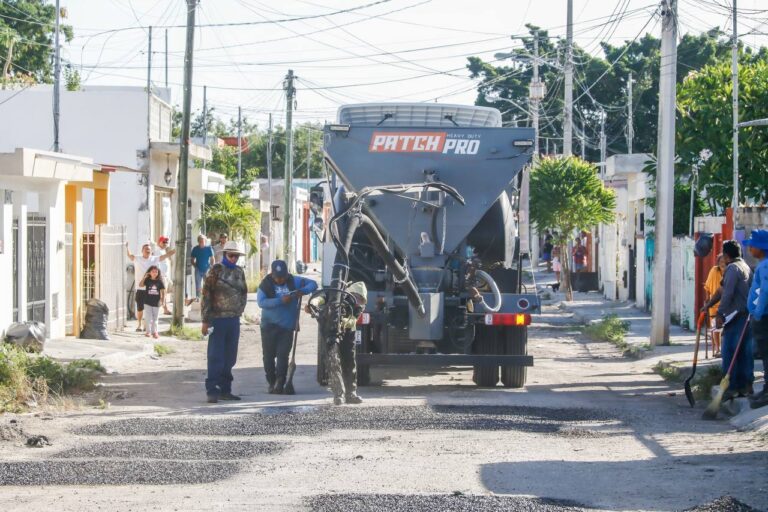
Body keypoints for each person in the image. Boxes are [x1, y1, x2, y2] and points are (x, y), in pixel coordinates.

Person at [257, 259, 318, 395]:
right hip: (268, 326)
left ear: (287, 274)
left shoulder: (293, 281)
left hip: (286, 327)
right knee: (268, 356)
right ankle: (272, 382)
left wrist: (301, 291)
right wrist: (280, 300)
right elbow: (261, 302)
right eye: (277, 278)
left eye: (282, 277)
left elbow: (313, 284)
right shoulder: (265, 284)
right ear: (272, 275)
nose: (280, 280)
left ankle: (281, 382)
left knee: (283, 355)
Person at [200, 241, 249, 403]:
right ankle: (212, 390)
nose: (234, 259)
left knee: (230, 357)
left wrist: (240, 310)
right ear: (224, 254)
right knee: (215, 356)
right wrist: (205, 320)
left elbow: (244, 292)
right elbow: (206, 295)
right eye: (231, 255)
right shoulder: (215, 270)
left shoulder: (239, 272)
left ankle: (225, 389)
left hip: (233, 319)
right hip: (217, 319)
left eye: (236, 256)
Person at [308, 281, 367, 405]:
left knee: (349, 362)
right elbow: (320, 298)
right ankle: (338, 395)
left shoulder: (359, 306)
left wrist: (342, 322)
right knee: (333, 362)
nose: (358, 301)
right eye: (357, 297)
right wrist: (313, 303)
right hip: (329, 331)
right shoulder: (334, 294)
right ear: (351, 293)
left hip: (348, 333)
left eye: (361, 299)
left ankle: (351, 393)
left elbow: (353, 320)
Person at [715, 240, 754, 399]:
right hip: (747, 317)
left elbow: (727, 294)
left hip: (735, 317)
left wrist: (719, 313)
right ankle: (746, 386)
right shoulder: (746, 267)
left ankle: (730, 388)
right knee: (745, 353)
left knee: (730, 352)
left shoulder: (732, 268)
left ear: (726, 255)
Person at [126, 241, 176, 332]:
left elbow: (166, 255)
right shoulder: (137, 259)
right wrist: (126, 247)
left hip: (152, 289)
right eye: (146, 249)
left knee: (149, 308)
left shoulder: (155, 259)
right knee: (140, 308)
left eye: (149, 249)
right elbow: (129, 255)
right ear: (142, 251)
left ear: (151, 251)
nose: (147, 250)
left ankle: (147, 325)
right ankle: (139, 324)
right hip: (140, 288)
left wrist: (177, 248)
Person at [745, 230, 768, 409]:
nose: (750, 248)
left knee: (766, 355)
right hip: (761, 316)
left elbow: (765, 291)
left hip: (764, 318)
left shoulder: (765, 266)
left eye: (753, 245)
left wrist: (758, 313)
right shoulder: (762, 264)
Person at [702, 254, 726, 357]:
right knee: (716, 328)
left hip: (727, 304)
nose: (722, 263)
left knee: (725, 328)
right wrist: (708, 299)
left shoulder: (730, 271)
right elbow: (707, 286)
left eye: (724, 262)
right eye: (721, 261)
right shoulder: (714, 271)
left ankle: (725, 348)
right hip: (715, 304)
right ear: (718, 262)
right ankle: (718, 348)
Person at [140, 265, 165, 339]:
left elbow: (163, 292)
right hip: (147, 302)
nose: (154, 273)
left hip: (156, 302)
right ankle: (148, 332)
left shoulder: (160, 281)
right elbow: (140, 285)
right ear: (149, 272)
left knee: (155, 318)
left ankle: (155, 332)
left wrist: (163, 301)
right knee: (148, 318)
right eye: (153, 271)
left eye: (156, 272)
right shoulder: (147, 280)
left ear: (158, 273)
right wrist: (144, 277)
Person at [155, 236, 173, 315]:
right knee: (162, 293)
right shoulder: (157, 251)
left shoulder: (163, 250)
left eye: (166, 242)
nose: (165, 244)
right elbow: (159, 259)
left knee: (164, 293)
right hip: (161, 275)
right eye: (164, 242)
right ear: (160, 242)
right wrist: (169, 254)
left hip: (165, 275)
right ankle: (164, 308)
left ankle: (164, 308)